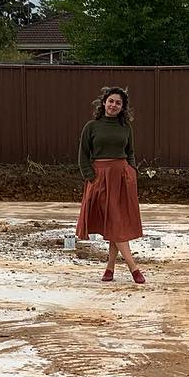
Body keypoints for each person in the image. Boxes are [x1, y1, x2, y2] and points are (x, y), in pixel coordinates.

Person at [77, 86, 145, 284]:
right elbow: (83, 155)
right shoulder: (91, 126)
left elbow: (130, 151)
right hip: (100, 178)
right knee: (115, 221)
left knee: (117, 222)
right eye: (111, 101)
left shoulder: (126, 127)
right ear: (104, 103)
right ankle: (134, 268)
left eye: (118, 103)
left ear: (122, 107)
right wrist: (91, 177)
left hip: (123, 178)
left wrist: (132, 173)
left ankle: (110, 268)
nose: (114, 105)